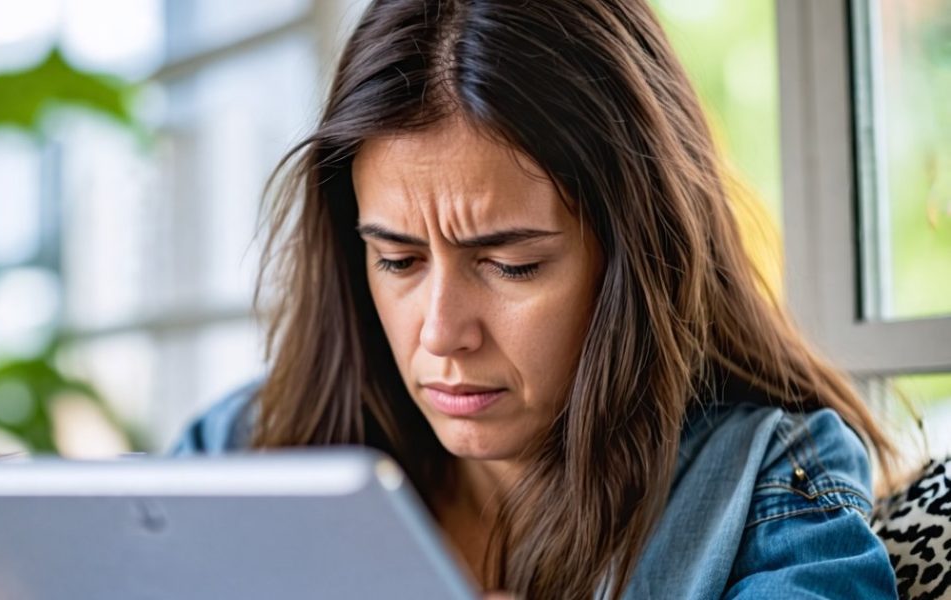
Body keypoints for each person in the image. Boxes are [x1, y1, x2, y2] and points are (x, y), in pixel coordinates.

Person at [172, 0, 901, 597]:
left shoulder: (771, 488)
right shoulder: (238, 450)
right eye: (397, 259)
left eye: (511, 264)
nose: (441, 333)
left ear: (635, 257)